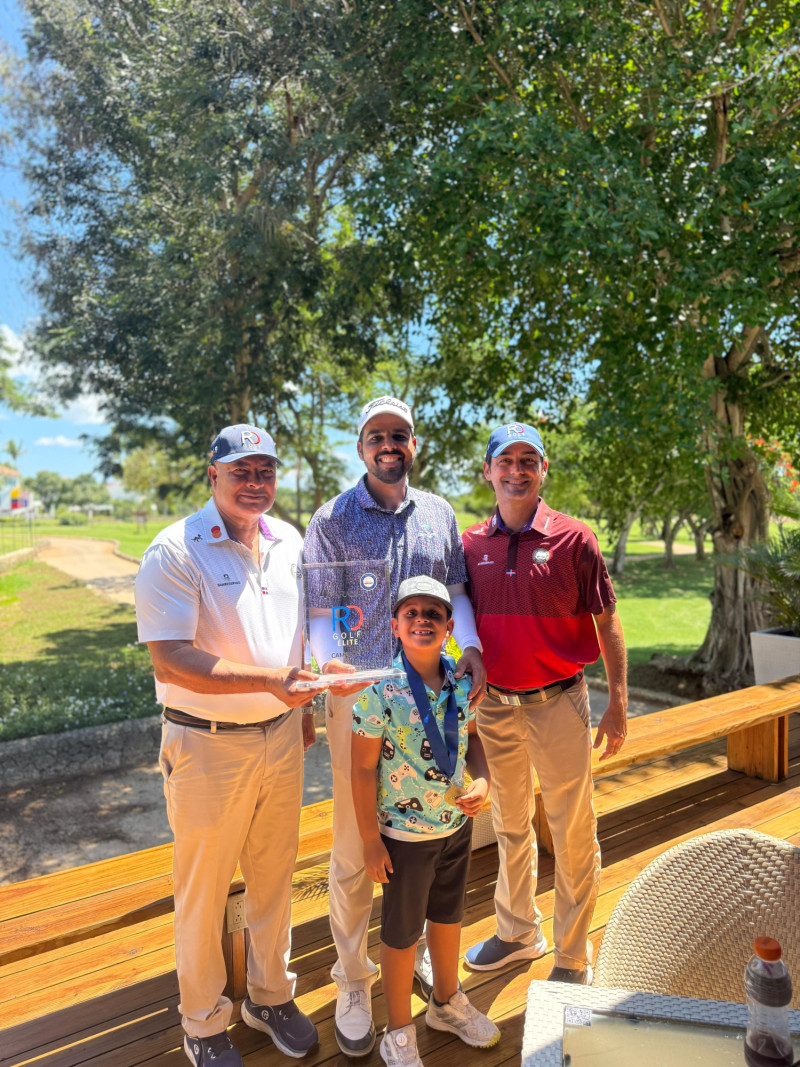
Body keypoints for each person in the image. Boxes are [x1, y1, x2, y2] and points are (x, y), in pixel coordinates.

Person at [303, 396, 486, 1056]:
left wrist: (470, 646)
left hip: (432, 696)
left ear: (414, 444)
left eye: (400, 435)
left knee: (434, 832)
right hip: (361, 696)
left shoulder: (439, 512)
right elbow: (320, 607)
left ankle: (430, 970)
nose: (389, 444)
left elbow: (456, 592)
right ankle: (354, 978)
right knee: (358, 848)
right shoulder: (332, 518)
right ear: (361, 447)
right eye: (377, 435)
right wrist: (331, 663)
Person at [135, 425, 323, 1067]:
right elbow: (171, 659)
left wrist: (300, 707)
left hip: (281, 736)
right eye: (240, 470)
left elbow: (296, 636)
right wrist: (271, 683)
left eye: (265, 470)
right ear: (211, 474)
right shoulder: (174, 549)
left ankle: (270, 997)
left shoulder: (289, 540)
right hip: (207, 745)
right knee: (204, 891)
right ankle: (203, 1022)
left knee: (274, 879)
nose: (255, 482)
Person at [462, 423, 627, 984]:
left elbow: (607, 621)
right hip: (495, 707)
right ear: (487, 472)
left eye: (528, 460)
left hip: (558, 702)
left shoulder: (575, 539)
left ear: (543, 470)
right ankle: (517, 933)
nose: (516, 470)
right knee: (510, 824)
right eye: (505, 461)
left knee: (571, 830)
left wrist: (618, 703)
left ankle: (572, 956)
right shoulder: (470, 545)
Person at [351, 576, 499, 1067]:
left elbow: (471, 741)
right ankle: (397, 1030)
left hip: (455, 826)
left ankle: (446, 1002)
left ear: (449, 627)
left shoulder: (461, 680)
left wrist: (483, 780)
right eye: (410, 613)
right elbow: (362, 769)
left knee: (449, 916)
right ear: (394, 625)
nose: (422, 620)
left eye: (433, 613)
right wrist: (370, 840)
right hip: (404, 837)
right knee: (401, 934)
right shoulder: (379, 691)